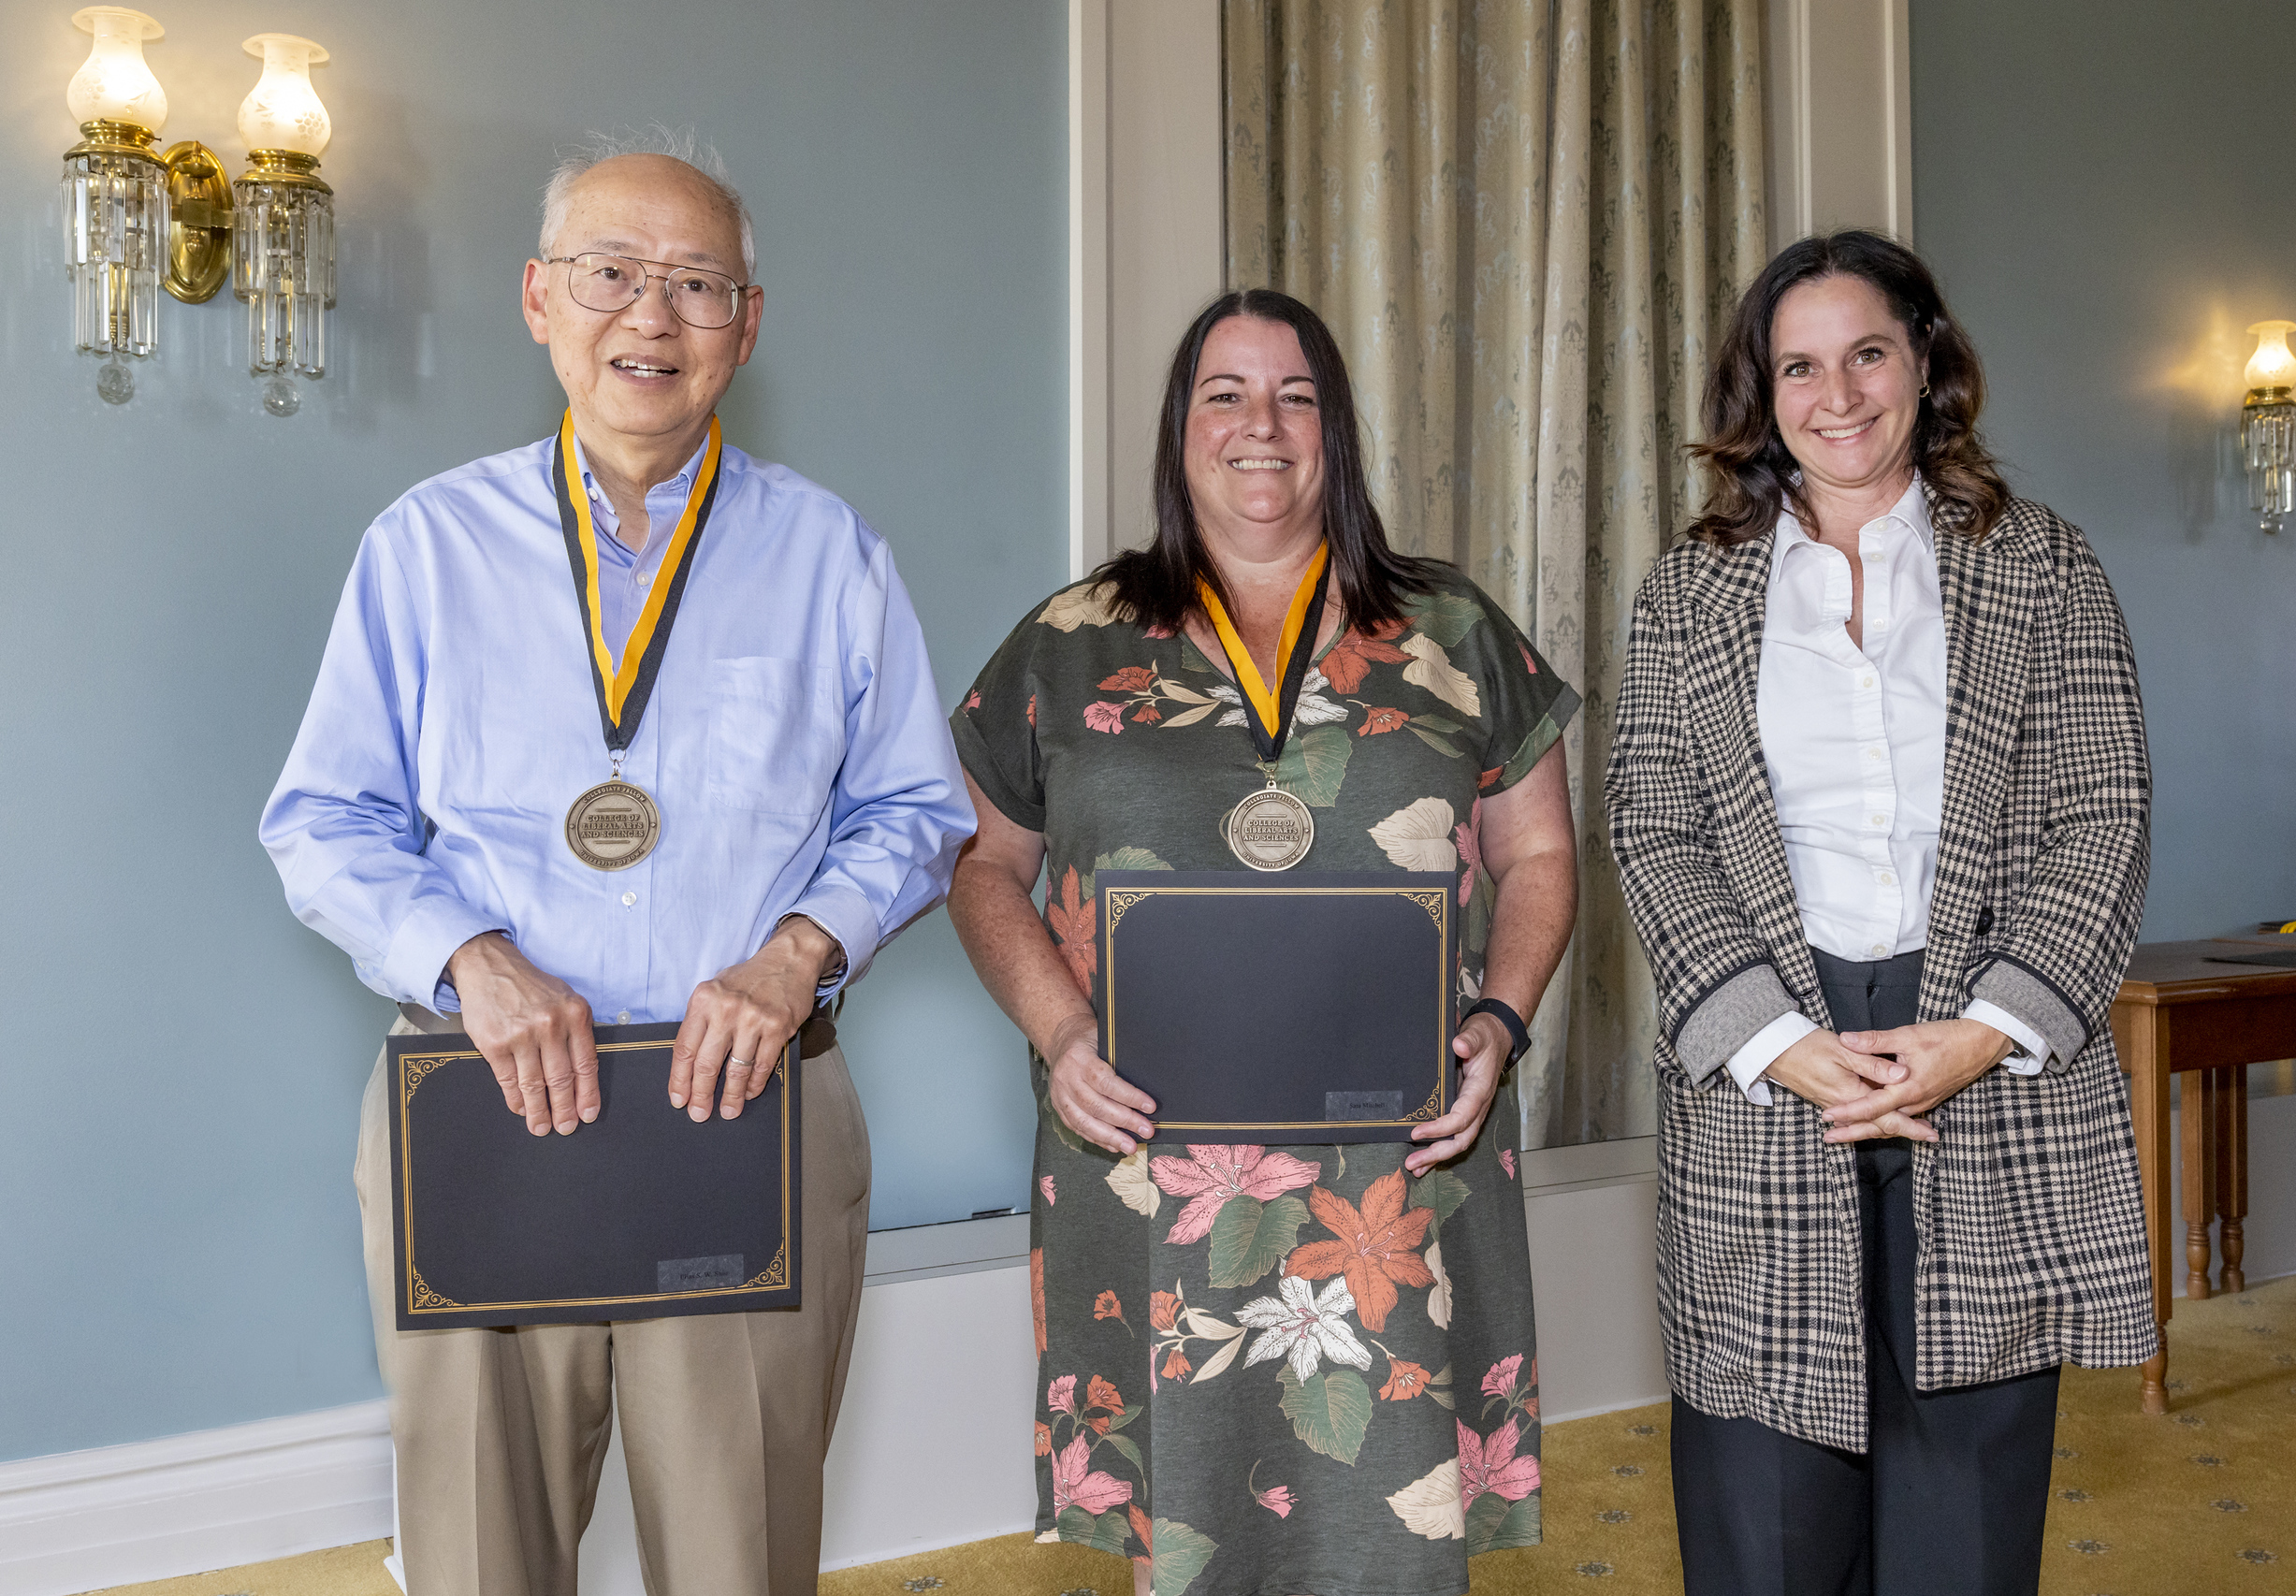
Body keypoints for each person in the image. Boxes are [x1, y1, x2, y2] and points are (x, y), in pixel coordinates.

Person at [259, 137, 972, 1595]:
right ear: (538, 299)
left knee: (739, 1550)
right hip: (481, 1100)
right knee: (478, 1551)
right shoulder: (424, 547)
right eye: (611, 273)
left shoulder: (833, 555)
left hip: (748, 1100)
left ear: (747, 324)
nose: (651, 315)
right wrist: (469, 957)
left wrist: (793, 955)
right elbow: (321, 818)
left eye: (697, 283)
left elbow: (915, 806)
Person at [947, 288, 1579, 1594]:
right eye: (1223, 394)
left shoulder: (1453, 630)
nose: (1261, 426)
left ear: (1336, 430)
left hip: (1394, 1166)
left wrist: (1501, 1020)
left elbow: (1541, 854)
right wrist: (1060, 1031)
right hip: (1154, 1160)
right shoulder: (1070, 642)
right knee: (1191, 1521)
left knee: (1390, 1527)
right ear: (1180, 432)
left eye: (1295, 395)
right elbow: (982, 863)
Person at [1606, 230, 2156, 1595]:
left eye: (1866, 353)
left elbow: (2104, 815)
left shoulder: (2044, 565)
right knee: (1764, 1521)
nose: (1836, 393)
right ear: (1763, 390)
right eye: (1800, 364)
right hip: (1766, 1062)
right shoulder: (1691, 590)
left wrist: (1981, 1030)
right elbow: (1655, 826)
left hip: (1980, 1054)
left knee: (1962, 1525)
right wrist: (1773, 1035)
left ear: (1925, 360)